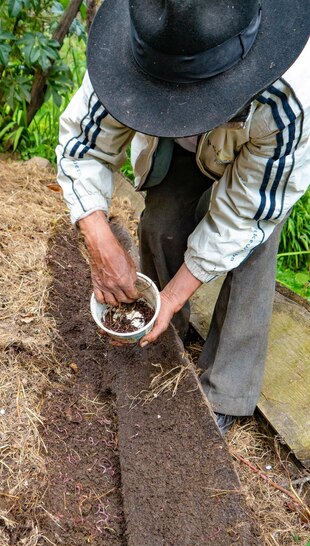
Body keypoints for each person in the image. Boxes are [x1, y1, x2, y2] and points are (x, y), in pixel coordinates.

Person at [56, 0, 310, 435]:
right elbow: (84, 146)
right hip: (185, 147)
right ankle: (171, 335)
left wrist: (172, 295)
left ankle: (226, 390)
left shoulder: (291, 98)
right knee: (160, 225)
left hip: (258, 152)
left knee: (251, 255)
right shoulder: (133, 47)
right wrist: (98, 238)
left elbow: (243, 216)